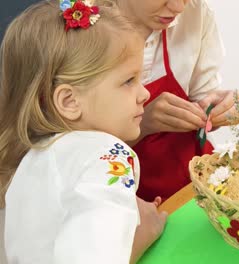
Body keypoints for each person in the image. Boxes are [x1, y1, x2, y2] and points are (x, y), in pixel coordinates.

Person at [0, 1, 166, 263]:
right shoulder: (107, 156)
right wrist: (142, 236)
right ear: (69, 102)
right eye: (128, 81)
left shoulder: (30, 158)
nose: (144, 94)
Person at [101, 0, 239, 202]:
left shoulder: (195, 13)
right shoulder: (80, 31)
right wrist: (142, 125)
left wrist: (218, 108)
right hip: (126, 201)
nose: (179, 7)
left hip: (195, 181)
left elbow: (203, 97)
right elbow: (73, 158)